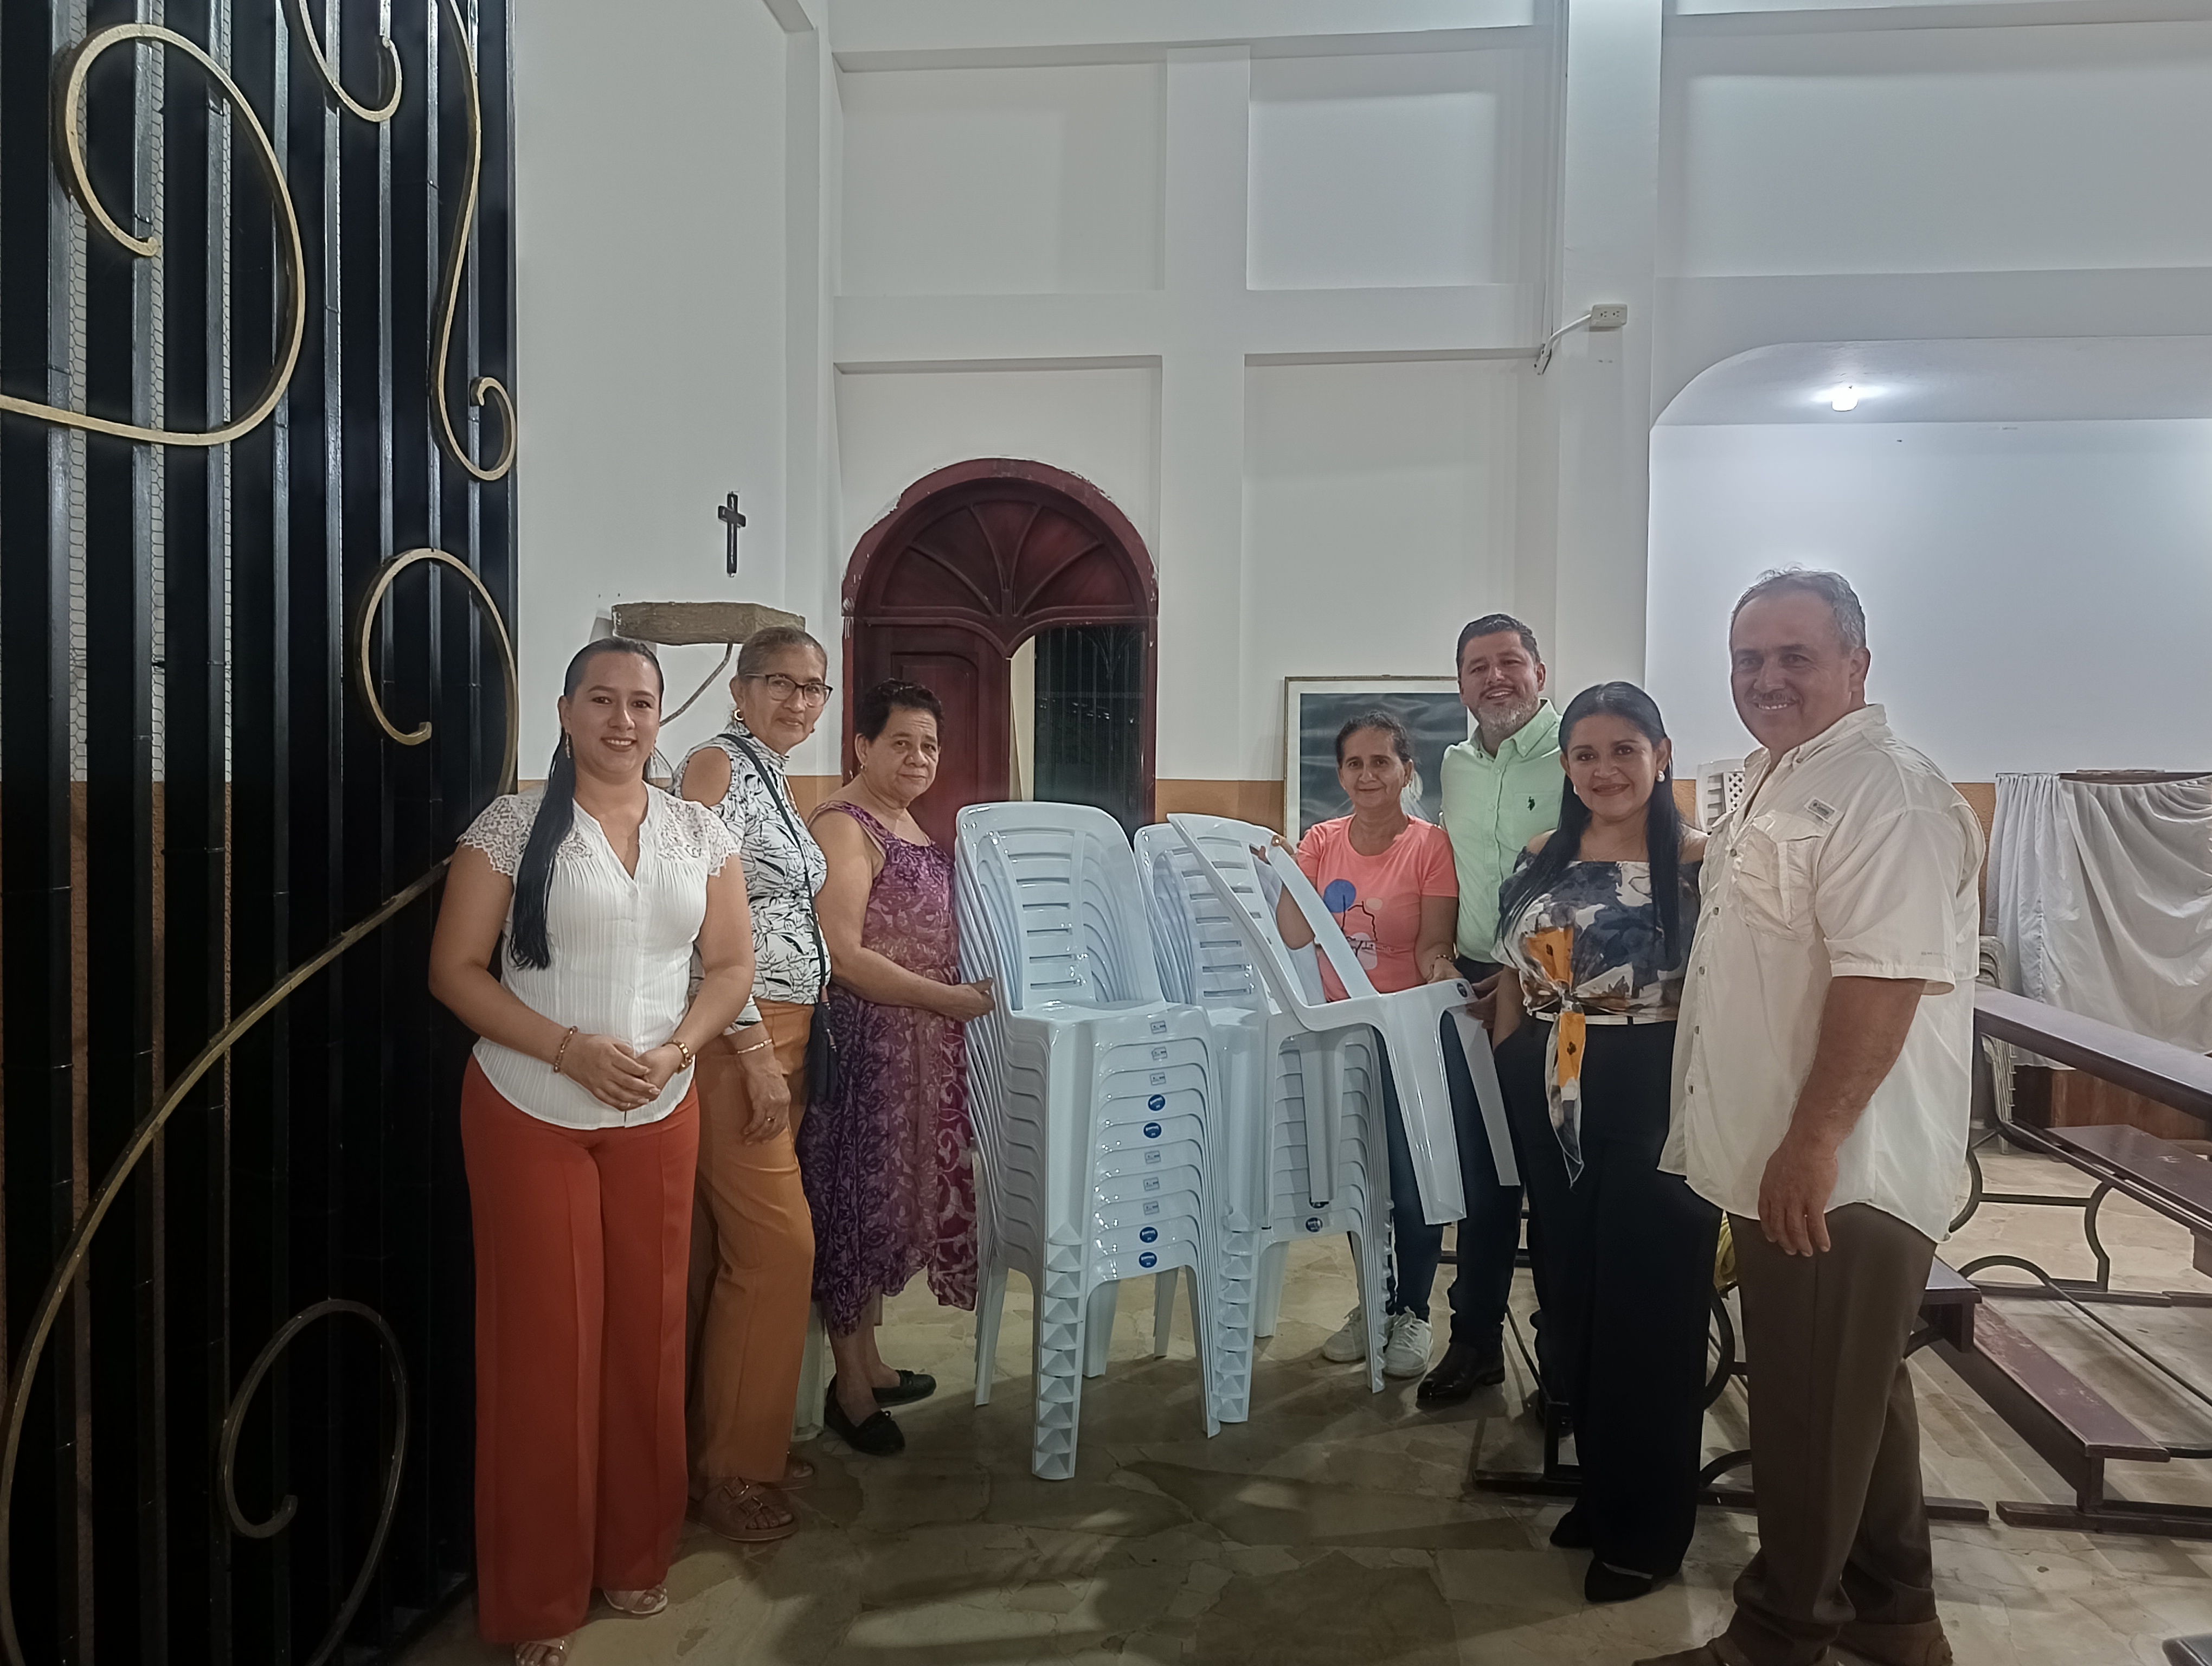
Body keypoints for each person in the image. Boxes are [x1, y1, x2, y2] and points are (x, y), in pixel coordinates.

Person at [1637, 570, 1982, 1666]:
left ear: (1857, 665)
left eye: (1796, 655)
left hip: (1844, 1169)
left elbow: (1883, 979)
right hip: (1786, 1153)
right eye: (1750, 659)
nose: (1767, 677)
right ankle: (1895, 1612)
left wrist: (1814, 1142)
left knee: (1803, 1408)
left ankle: (1780, 1633)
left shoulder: (1889, 792)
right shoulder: (1777, 781)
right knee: (1856, 1396)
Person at [428, 639, 756, 1665]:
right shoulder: (513, 825)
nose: (623, 720)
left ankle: (634, 1549)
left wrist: (677, 1051)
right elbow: (455, 970)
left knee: (648, 1342)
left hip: (660, 1107)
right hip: (529, 1108)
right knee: (544, 1353)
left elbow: (731, 964)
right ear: (566, 711)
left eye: (641, 702)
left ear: (662, 716)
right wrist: (568, 1048)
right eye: (602, 700)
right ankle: (539, 1593)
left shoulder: (700, 832)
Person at [1490, 682, 1716, 1605]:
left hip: (1655, 1081)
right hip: (1553, 1079)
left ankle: (1649, 1529)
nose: (1604, 770)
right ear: (1567, 765)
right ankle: (1603, 1485)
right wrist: (1513, 1064)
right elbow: (1513, 975)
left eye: (1625, 750)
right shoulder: (1543, 853)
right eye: (1586, 754)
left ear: (1662, 755)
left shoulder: (1702, 861)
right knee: (1573, 1292)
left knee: (1650, 1307)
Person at [802, 679, 994, 1454]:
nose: (919, 757)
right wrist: (947, 1001)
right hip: (871, 1051)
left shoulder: (907, 821)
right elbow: (843, 956)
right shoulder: (843, 825)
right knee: (854, 1210)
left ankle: (873, 1364)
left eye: (930, 745)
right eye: (902, 743)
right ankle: (848, 1389)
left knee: (890, 1209)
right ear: (863, 747)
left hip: (922, 1051)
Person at [677, 624, 837, 1543]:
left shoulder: (770, 773)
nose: (799, 701)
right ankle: (734, 1471)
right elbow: (691, 920)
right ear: (740, 690)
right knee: (778, 1248)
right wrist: (747, 1047)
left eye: (813, 687)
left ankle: (724, 1447)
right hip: (743, 1036)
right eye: (780, 682)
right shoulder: (714, 765)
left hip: (790, 1027)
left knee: (726, 1249)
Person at [1266, 712, 1462, 1381]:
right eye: (1355, 763)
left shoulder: (1431, 846)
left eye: (1382, 762)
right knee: (1360, 1184)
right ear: (1341, 773)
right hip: (1342, 1039)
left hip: (1408, 1037)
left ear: (1408, 771)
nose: (1368, 775)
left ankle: (1414, 1311)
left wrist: (1441, 970)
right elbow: (1296, 934)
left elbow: (1434, 943)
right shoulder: (1322, 840)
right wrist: (1292, 870)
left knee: (1412, 1182)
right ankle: (1373, 1305)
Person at [1423, 613, 1565, 1406]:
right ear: (1461, 685)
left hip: (1562, 992)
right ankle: (1473, 1341)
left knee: (1556, 1178)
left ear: (1540, 671)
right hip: (1474, 984)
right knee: (1482, 1176)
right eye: (1478, 667)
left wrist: (1520, 974)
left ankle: (1563, 1361)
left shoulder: (1579, 749)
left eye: (1510, 662)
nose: (1495, 678)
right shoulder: (1455, 766)